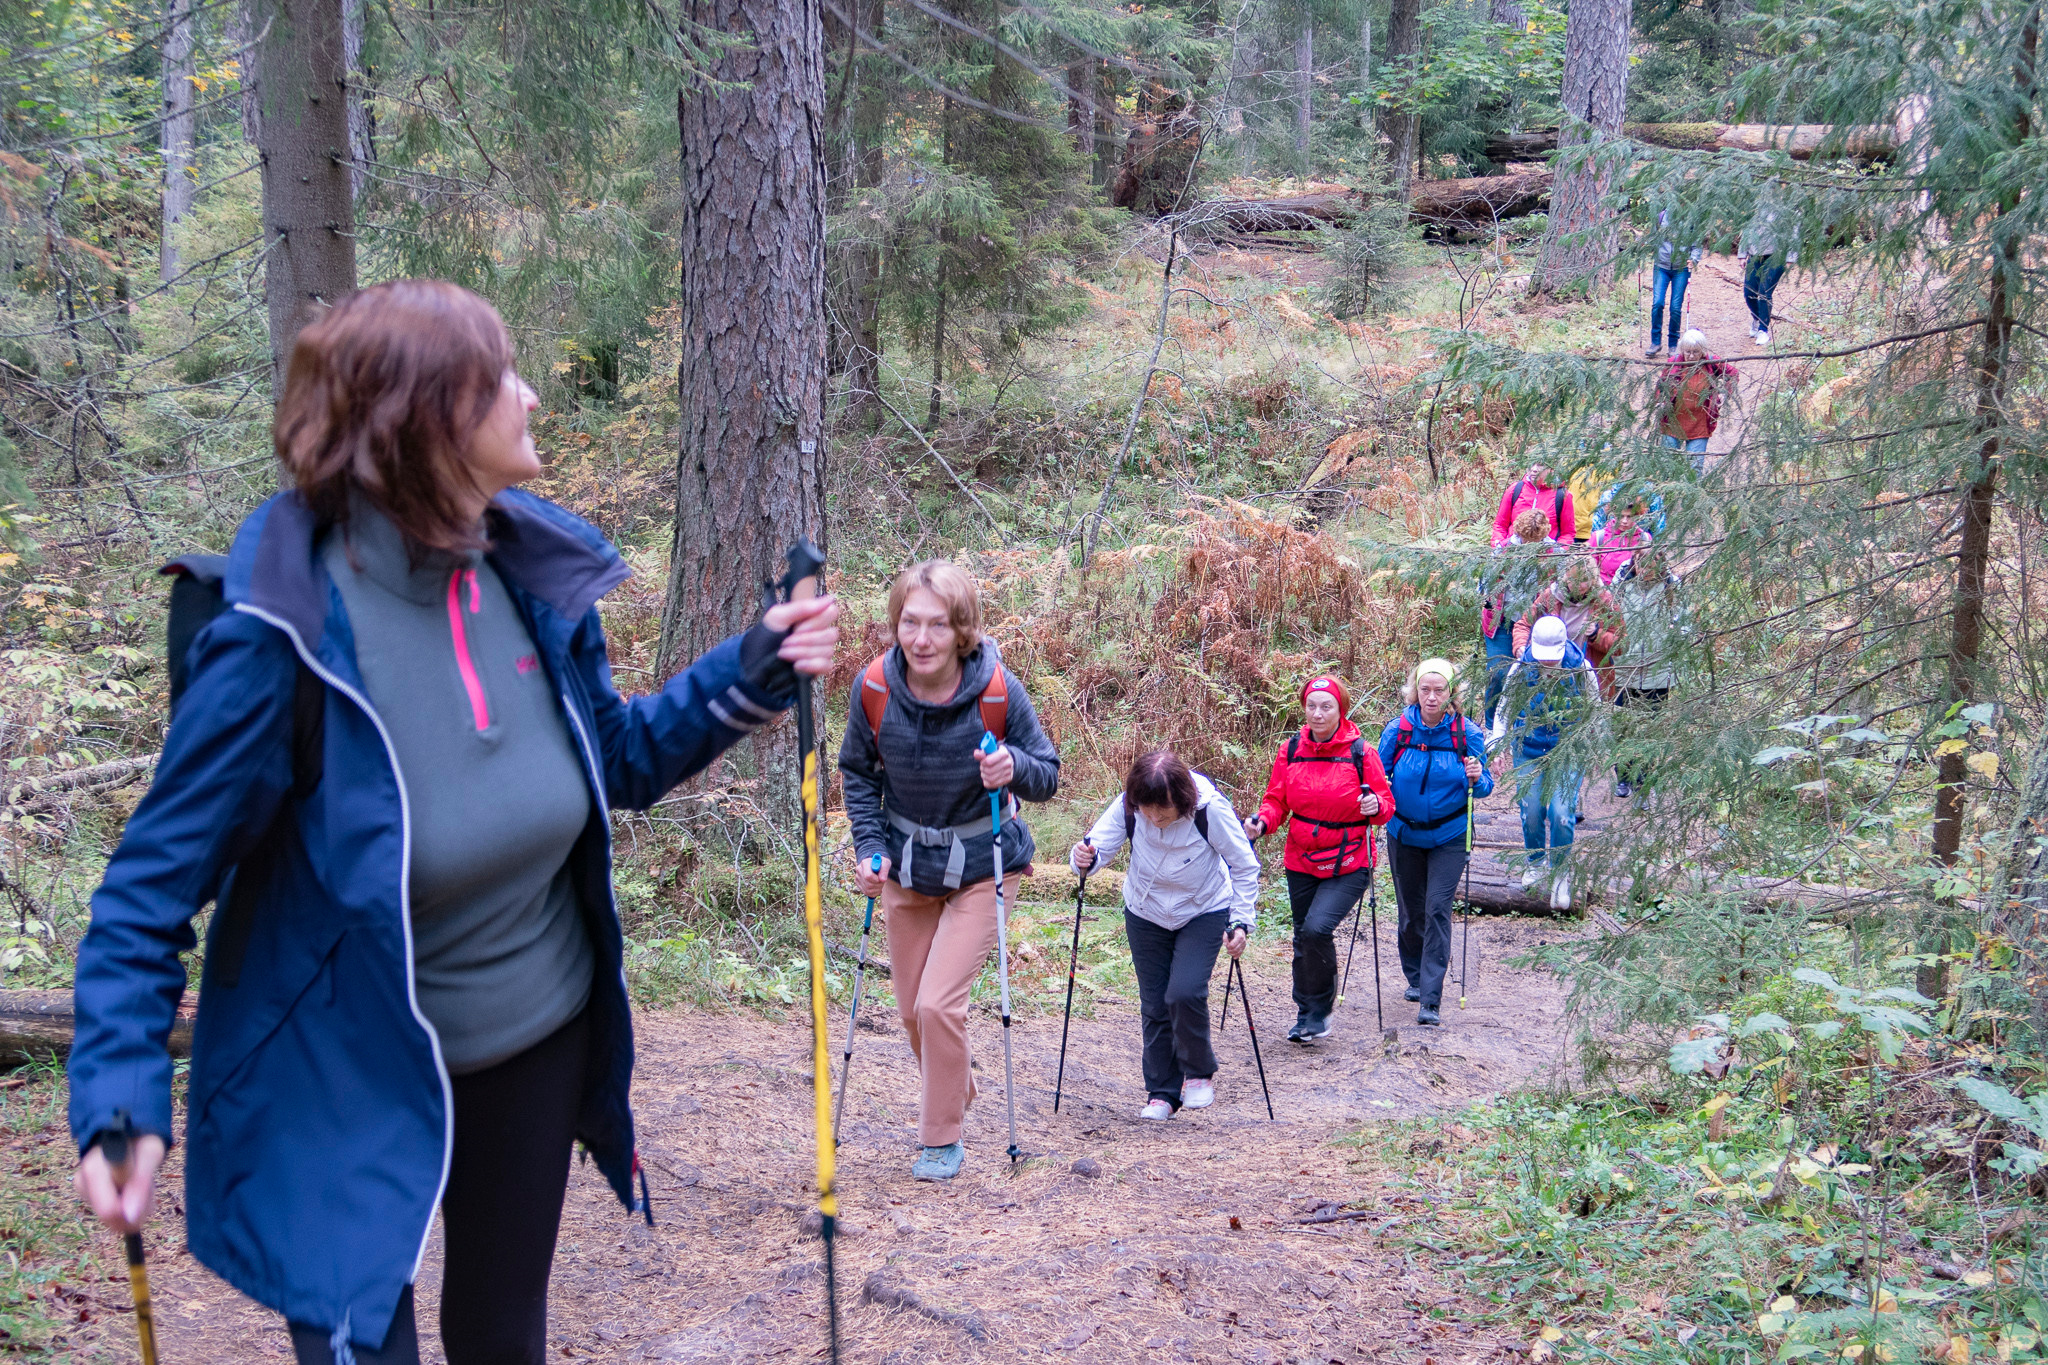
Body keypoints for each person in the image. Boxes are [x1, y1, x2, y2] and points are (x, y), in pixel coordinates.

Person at [65, 280, 843, 1364]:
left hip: (534, 1037)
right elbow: (144, 897)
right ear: (423, 420)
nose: (529, 396)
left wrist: (751, 666)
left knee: (499, 1336)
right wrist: (118, 1097)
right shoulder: (281, 641)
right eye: (500, 378)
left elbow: (613, 759)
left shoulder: (528, 578)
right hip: (337, 1073)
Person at [840, 560, 1061, 1182]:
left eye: (937, 625)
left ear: (962, 629)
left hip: (985, 864)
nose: (921, 639)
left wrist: (1012, 765)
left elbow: (1047, 773)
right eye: (909, 622)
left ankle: (941, 1139)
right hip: (906, 866)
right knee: (913, 1012)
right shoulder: (875, 688)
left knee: (938, 1006)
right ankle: (954, 1081)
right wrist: (869, 847)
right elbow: (858, 773)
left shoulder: (996, 690)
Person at [1070, 751, 1260, 1119]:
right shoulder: (1129, 805)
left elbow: (1244, 865)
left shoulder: (1209, 810)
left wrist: (1240, 922)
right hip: (1145, 911)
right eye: (1147, 809)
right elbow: (1096, 849)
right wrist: (1084, 860)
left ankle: (1198, 1072)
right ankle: (1162, 1093)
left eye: (1164, 810)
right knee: (1155, 1003)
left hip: (1203, 909)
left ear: (1183, 799)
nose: (1155, 818)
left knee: (1184, 991)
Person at [1243, 675, 1395, 1042]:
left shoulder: (1361, 753)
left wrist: (1374, 806)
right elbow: (1276, 800)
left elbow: (1386, 806)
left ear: (1341, 710)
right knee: (1303, 935)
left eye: (1326, 707)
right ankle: (1306, 1014)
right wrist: (1261, 822)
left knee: (1316, 929)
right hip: (1302, 858)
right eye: (1311, 706)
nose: (1317, 713)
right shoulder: (1291, 749)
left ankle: (1319, 1010)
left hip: (1350, 860)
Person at [1377, 660, 1494, 1026]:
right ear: (1415, 692)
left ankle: (1431, 997)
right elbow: (1377, 778)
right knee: (1411, 912)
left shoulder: (1467, 734)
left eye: (1439, 690)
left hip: (1449, 835)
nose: (1431, 697)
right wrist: (1376, 794)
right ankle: (1415, 976)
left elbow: (1485, 787)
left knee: (1437, 908)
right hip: (1404, 833)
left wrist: (1478, 776)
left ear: (1451, 693)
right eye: (1424, 689)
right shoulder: (1398, 730)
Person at [1490, 615, 1601, 911]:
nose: (1547, 662)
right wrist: (1498, 745)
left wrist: (1594, 745)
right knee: (1532, 808)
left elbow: (1595, 710)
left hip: (1568, 750)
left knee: (1562, 812)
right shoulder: (1520, 669)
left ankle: (1560, 870)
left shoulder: (1581, 670)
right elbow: (1504, 709)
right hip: (1528, 749)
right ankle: (1536, 861)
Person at [1611, 546, 1690, 798]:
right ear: (1634, 561)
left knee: (1650, 727)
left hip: (1658, 670)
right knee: (1624, 725)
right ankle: (1623, 776)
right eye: (1640, 562)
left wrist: (1676, 639)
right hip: (1625, 667)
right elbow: (1607, 617)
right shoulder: (1622, 585)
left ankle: (1643, 778)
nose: (1645, 569)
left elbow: (1685, 623)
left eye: (1650, 563)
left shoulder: (1671, 586)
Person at [1481, 507, 1561, 728]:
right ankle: (1492, 726)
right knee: (1498, 673)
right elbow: (1486, 584)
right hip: (1501, 622)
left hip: (1535, 623)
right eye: (1526, 539)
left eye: (1535, 540)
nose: (1529, 545)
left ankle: (1521, 725)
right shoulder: (1504, 551)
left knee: (1530, 675)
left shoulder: (1554, 553)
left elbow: (1559, 588)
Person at [1515, 557, 1626, 701]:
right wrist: (1521, 646)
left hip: (1590, 678)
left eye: (1584, 579)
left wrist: (1596, 635)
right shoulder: (1551, 596)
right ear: (1566, 577)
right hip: (1550, 674)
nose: (1578, 585)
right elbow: (1524, 624)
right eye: (1573, 579)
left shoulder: (1605, 601)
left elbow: (1621, 645)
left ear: (1593, 579)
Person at [1655, 330, 1735, 474]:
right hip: (1672, 423)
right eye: (1688, 352)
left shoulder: (1711, 362)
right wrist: (1660, 401)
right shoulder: (1674, 363)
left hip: (1699, 425)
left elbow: (1733, 374)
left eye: (1696, 352)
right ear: (1682, 350)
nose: (1691, 356)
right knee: (1667, 466)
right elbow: (1661, 385)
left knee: (1694, 469)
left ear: (1703, 351)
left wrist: (1725, 392)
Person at [1646, 209, 1703, 358]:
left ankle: (1673, 344)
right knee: (1657, 303)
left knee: (1675, 308)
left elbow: (1697, 244)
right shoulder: (1661, 216)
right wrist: (1643, 249)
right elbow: (1653, 238)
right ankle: (1655, 342)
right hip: (1661, 266)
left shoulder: (1691, 217)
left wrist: (1694, 259)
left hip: (1681, 268)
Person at [1740, 201, 1799, 345]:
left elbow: (1794, 233)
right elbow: (1746, 229)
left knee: (1764, 292)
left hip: (1776, 255)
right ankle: (1757, 318)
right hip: (1755, 254)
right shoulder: (1755, 202)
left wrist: (1790, 257)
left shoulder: (1790, 203)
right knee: (1748, 293)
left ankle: (1763, 330)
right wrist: (1742, 253)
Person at [1490, 463, 1575, 546]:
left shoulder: (1562, 495)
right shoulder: (1515, 489)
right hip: (1512, 550)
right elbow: (1500, 525)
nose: (1534, 469)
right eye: (1531, 463)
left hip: (1546, 551)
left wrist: (1557, 550)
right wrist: (1499, 545)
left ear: (1551, 469)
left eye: (1540, 465)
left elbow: (1567, 533)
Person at [1589, 495, 1652, 585]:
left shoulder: (1644, 538)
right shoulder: (1599, 537)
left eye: (1629, 517)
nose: (1624, 521)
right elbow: (1589, 569)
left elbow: (1649, 569)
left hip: (1633, 589)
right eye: (1621, 516)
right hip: (1604, 588)